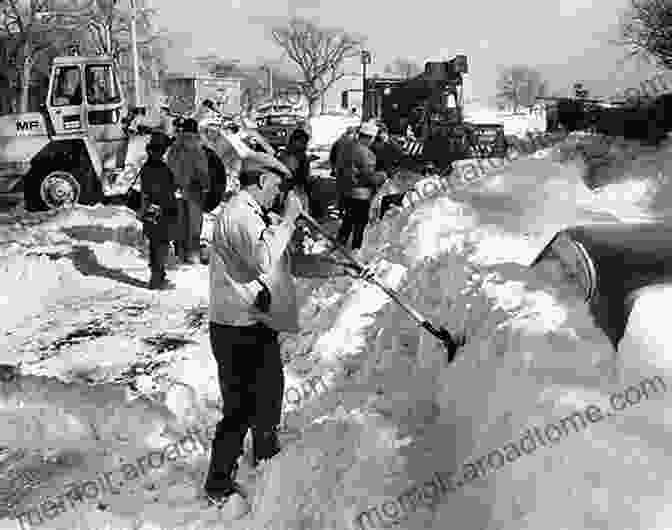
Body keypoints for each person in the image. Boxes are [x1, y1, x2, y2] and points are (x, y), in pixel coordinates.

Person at [204, 152, 303, 517]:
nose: (278, 193)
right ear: (261, 180)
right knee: (239, 409)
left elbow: (272, 260)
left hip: (255, 322)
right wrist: (289, 220)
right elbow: (264, 258)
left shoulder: (254, 214)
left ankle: (265, 453)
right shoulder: (239, 214)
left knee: (270, 390)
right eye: (276, 186)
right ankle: (217, 482)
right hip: (234, 329)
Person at [166, 118, 210, 264]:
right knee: (194, 223)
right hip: (194, 190)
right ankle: (192, 253)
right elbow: (202, 169)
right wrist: (206, 184)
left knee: (180, 221)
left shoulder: (175, 147)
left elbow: (170, 166)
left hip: (177, 189)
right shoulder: (197, 147)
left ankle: (180, 251)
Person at [138, 132, 179, 289]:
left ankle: (157, 276)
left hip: (150, 209)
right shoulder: (161, 168)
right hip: (163, 208)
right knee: (160, 244)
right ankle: (157, 279)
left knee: (155, 244)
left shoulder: (146, 166)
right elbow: (168, 188)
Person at [334, 121, 383, 252]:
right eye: (372, 139)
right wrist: (383, 176)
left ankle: (338, 245)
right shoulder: (366, 153)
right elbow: (369, 177)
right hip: (361, 193)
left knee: (348, 220)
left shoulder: (346, 147)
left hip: (345, 191)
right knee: (360, 224)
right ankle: (356, 250)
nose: (372, 142)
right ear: (368, 138)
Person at [278, 128, 316, 215]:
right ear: (295, 141)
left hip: (298, 192)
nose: (305, 145)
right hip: (293, 193)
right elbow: (290, 176)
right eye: (303, 142)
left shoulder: (299, 155)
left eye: (306, 142)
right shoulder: (289, 156)